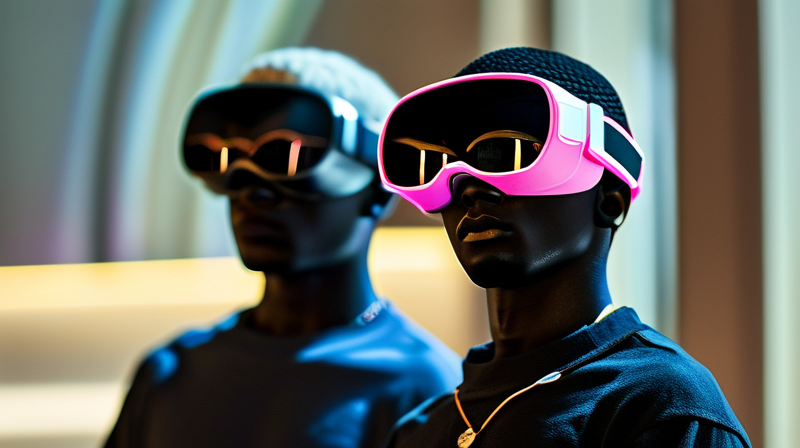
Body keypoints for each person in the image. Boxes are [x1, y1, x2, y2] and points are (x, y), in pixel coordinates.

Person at [377, 47, 750, 447]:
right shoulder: (417, 431)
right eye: (437, 164)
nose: (467, 187)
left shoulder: (661, 406)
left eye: (506, 152)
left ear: (610, 200)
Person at [104, 47, 461, 448]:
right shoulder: (170, 374)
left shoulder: (425, 387)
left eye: (288, 155)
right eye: (229, 157)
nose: (251, 192)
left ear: (376, 191)